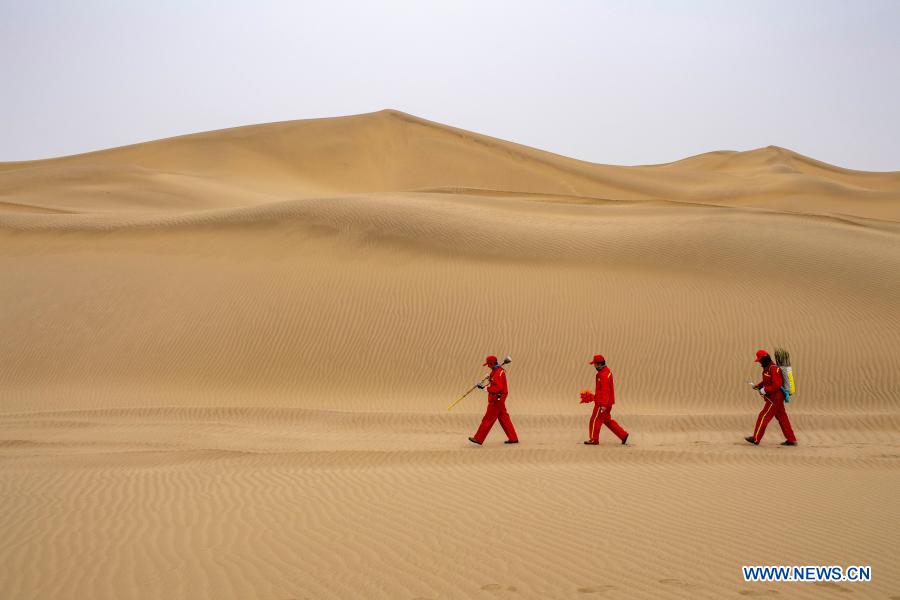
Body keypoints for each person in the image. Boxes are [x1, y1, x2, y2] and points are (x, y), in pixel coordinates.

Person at [746, 349, 797, 446]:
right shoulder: (768, 368)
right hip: (775, 398)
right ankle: (791, 439)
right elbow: (768, 381)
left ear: (765, 359)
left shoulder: (773, 369)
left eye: (760, 360)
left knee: (763, 416)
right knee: (782, 417)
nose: (759, 362)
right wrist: (758, 386)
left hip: (775, 398)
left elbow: (777, 384)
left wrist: (764, 390)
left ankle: (756, 439)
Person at [469, 355, 519, 445]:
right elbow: (495, 380)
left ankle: (478, 438)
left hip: (497, 399)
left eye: (488, 364)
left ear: (492, 364)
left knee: (487, 419)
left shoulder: (499, 372)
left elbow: (498, 387)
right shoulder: (496, 371)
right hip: (499, 399)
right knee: (504, 419)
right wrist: (490, 377)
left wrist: (485, 388)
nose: (488, 366)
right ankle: (513, 438)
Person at [583, 354, 629, 445]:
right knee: (607, 420)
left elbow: (605, 391)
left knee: (595, 420)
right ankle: (623, 435)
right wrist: (593, 397)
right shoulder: (606, 372)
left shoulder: (603, 375)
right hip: (607, 402)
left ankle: (593, 439)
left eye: (595, 364)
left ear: (599, 364)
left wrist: (603, 404)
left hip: (602, 404)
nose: (594, 366)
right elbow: (603, 390)